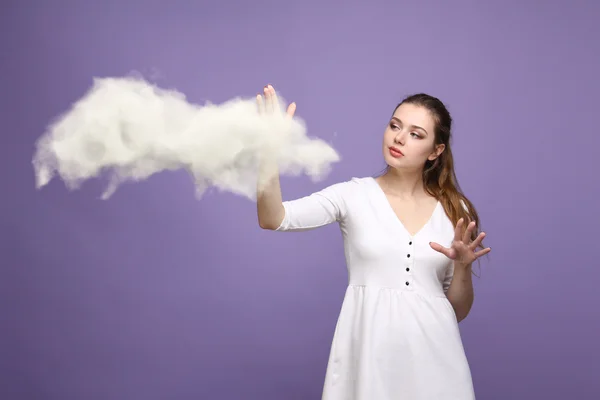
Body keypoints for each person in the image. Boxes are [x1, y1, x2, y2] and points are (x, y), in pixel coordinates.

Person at [256, 84, 491, 399]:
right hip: (369, 358)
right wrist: (268, 152)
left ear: (436, 151)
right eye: (395, 125)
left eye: (416, 134)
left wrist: (462, 266)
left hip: (437, 362)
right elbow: (273, 218)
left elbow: (457, 311)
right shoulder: (353, 195)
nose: (399, 138)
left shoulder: (455, 209)